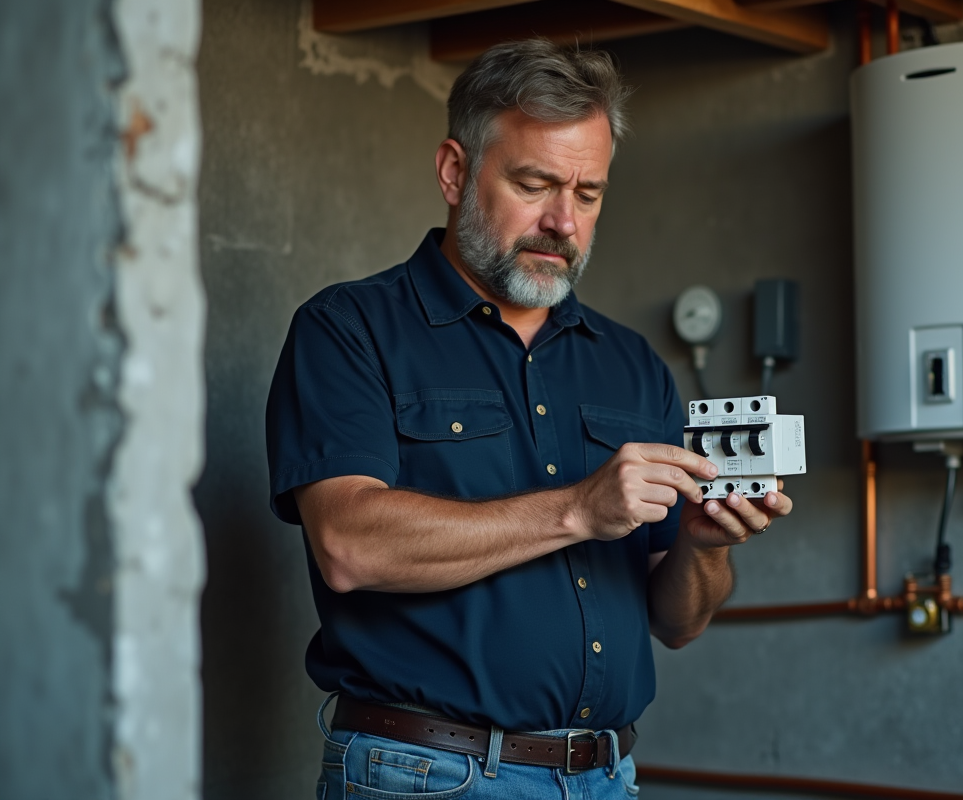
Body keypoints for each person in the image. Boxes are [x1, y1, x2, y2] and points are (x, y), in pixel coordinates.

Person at [265, 38, 792, 800]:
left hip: (605, 779)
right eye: (535, 183)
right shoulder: (349, 330)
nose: (563, 222)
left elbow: (679, 622)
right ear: (454, 170)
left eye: (588, 193)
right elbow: (349, 544)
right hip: (425, 777)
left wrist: (703, 547)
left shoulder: (633, 364)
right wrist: (580, 509)